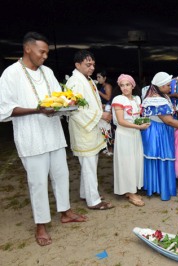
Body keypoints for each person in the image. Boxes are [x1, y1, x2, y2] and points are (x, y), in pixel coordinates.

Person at [0, 32, 87, 246]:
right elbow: (4, 110)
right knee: (38, 183)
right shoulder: (10, 74)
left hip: (54, 135)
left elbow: (57, 99)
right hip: (31, 138)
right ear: (28, 48)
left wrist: (67, 104)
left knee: (62, 175)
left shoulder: (47, 72)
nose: (45, 56)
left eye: (47, 52)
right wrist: (37, 110)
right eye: (42, 52)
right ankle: (41, 224)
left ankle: (65, 212)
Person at [141, 72, 178, 201]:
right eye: (168, 85)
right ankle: (161, 188)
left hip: (159, 130)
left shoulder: (161, 96)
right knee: (162, 157)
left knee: (159, 158)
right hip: (158, 132)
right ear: (161, 86)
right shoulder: (157, 100)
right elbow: (169, 121)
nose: (171, 88)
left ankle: (157, 186)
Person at [67, 50, 114, 210]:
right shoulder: (74, 82)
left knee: (90, 164)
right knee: (88, 164)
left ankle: (85, 193)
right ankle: (93, 201)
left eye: (93, 64)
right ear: (77, 65)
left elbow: (92, 103)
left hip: (91, 127)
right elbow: (75, 109)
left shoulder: (87, 80)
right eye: (88, 64)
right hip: (83, 129)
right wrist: (101, 115)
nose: (92, 67)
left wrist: (103, 110)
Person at [112, 74, 150, 206]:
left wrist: (142, 123)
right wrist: (139, 126)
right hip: (124, 134)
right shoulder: (118, 99)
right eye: (122, 85)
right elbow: (121, 121)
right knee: (126, 163)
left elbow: (137, 117)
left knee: (135, 161)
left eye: (127, 84)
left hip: (135, 134)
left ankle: (131, 189)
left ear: (132, 85)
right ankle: (130, 192)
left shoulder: (137, 99)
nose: (125, 88)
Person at [96, 70, 114, 155]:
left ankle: (110, 149)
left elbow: (108, 98)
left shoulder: (107, 86)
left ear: (105, 78)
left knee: (107, 128)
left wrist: (98, 92)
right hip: (103, 108)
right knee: (103, 128)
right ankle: (106, 146)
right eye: (97, 77)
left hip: (108, 108)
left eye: (99, 77)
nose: (98, 79)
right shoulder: (102, 86)